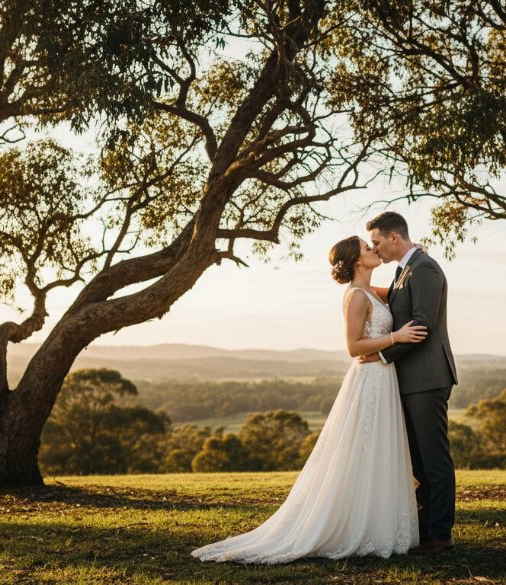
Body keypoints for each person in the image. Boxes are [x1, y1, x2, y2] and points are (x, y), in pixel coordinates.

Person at [191, 236, 426, 564]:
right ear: (358, 261)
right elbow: (354, 347)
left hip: (383, 378)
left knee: (377, 451)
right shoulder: (356, 296)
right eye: (367, 247)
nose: (374, 249)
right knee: (360, 451)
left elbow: (401, 292)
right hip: (369, 381)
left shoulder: (373, 291)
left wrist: (415, 257)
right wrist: (396, 337)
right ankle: (350, 524)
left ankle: (376, 521)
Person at [363, 211, 458, 555]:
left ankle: (440, 534)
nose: (376, 249)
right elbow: (395, 299)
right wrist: (356, 286)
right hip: (411, 379)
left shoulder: (425, 268)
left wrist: (381, 355)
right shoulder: (406, 270)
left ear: (394, 237)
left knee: (433, 458)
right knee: (418, 460)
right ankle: (425, 525)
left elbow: (421, 326)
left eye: (377, 242)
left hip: (427, 378)